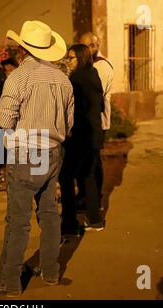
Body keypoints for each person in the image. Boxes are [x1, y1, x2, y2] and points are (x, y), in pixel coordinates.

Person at [0, 20, 74, 297]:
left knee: (18, 220)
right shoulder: (63, 80)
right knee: (50, 214)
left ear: (22, 49)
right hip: (53, 152)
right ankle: (51, 271)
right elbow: (69, 123)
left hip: (26, 153)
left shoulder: (17, 78)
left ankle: (10, 282)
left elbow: (4, 121)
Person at [59, 44, 105, 239]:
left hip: (80, 135)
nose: (68, 62)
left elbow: (71, 111)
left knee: (65, 176)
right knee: (88, 177)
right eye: (68, 58)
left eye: (72, 58)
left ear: (81, 58)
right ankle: (94, 220)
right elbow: (101, 105)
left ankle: (69, 224)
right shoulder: (93, 74)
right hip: (94, 134)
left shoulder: (76, 79)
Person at [79, 32, 114, 207]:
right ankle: (85, 195)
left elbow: (93, 94)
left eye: (85, 47)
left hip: (98, 120)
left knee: (93, 162)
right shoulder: (89, 65)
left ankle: (95, 197)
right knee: (86, 160)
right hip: (88, 119)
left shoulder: (102, 66)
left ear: (94, 46)